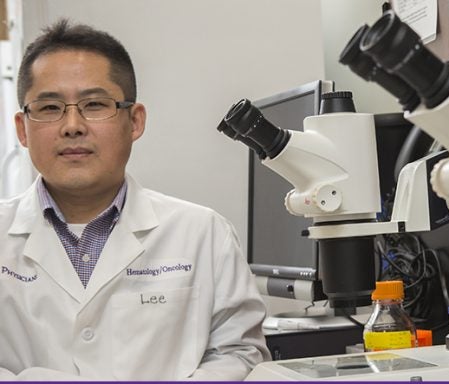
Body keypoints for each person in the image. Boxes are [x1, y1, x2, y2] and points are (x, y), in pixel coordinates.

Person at [0, 19, 270, 380]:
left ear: (135, 121)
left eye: (94, 104)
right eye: (50, 108)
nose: (72, 125)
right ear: (22, 129)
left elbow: (240, 353)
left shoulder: (203, 233)